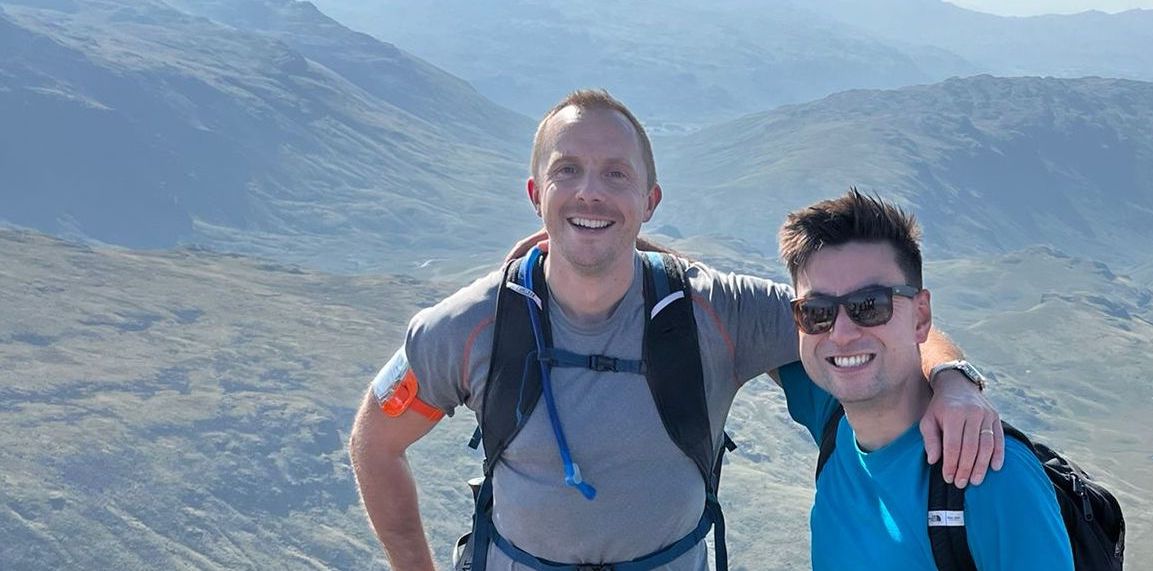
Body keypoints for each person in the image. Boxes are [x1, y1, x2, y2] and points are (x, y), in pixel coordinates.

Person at [349, 89, 1001, 571]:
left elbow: (868, 318)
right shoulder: (470, 325)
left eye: (616, 174)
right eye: (567, 169)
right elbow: (375, 439)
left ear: (650, 200)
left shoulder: (716, 310)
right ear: (535, 192)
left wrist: (952, 378)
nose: (590, 193)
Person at [775, 190, 1073, 570]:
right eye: (816, 312)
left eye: (870, 305)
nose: (842, 333)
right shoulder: (832, 415)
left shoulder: (990, 475)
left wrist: (956, 375)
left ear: (920, 316)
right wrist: (952, 375)